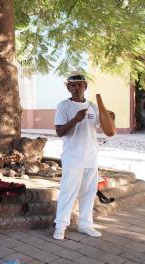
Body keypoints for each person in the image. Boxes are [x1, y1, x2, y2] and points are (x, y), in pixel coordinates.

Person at [53, 72, 116, 240]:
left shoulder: (93, 107)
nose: (76, 87)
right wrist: (75, 119)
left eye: (80, 84)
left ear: (85, 87)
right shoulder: (63, 106)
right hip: (72, 157)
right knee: (68, 192)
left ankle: (85, 224)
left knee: (88, 192)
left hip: (91, 156)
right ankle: (60, 226)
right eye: (72, 85)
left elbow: (108, 130)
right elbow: (59, 132)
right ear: (68, 88)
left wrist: (111, 118)